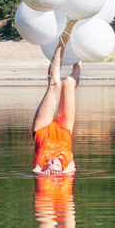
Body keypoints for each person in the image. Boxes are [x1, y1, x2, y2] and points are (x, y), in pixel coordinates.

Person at [32, 20, 81, 175]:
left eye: (51, 164)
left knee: (55, 85)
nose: (54, 162)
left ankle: (63, 41)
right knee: (68, 83)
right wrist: (63, 173)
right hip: (65, 130)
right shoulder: (68, 165)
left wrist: (43, 173)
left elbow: (35, 171)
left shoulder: (41, 165)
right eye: (56, 165)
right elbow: (72, 172)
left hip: (42, 129)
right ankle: (80, 56)